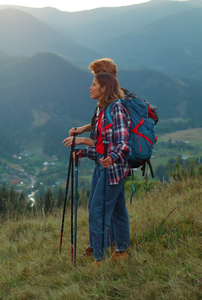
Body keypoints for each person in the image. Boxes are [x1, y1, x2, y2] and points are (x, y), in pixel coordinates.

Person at [62, 58, 123, 259]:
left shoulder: (113, 107)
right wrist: (83, 134)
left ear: (105, 83)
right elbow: (98, 129)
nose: (91, 84)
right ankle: (115, 248)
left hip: (110, 165)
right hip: (104, 163)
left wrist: (83, 142)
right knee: (113, 209)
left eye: (95, 80)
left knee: (100, 209)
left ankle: (101, 251)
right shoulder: (104, 105)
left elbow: (108, 142)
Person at [73, 72, 131, 264]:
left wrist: (111, 158)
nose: (90, 87)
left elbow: (123, 144)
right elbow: (101, 146)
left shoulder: (117, 109)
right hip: (106, 169)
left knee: (97, 211)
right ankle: (121, 251)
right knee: (117, 211)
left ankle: (99, 259)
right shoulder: (102, 110)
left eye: (94, 84)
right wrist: (84, 152)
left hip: (113, 171)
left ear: (104, 88)